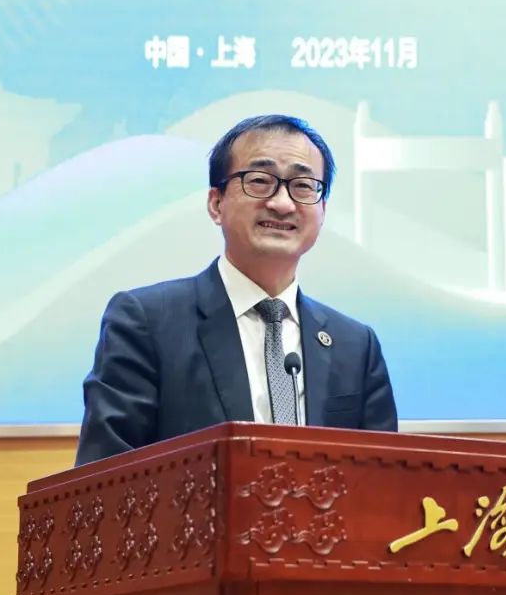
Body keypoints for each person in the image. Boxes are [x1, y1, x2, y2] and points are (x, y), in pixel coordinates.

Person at [75, 115, 398, 466]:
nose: (283, 203)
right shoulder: (147, 322)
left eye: (303, 186)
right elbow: (105, 477)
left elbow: (382, 480)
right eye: (259, 181)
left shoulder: (356, 345)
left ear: (322, 210)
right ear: (216, 203)